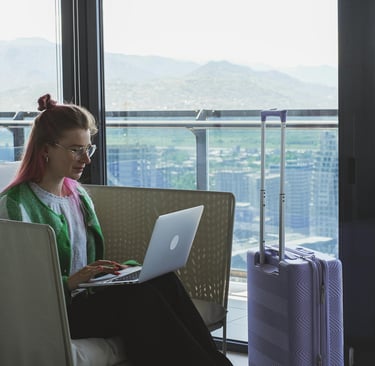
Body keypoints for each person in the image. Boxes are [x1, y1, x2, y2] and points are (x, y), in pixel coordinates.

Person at [0, 94, 233, 366]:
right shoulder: (15, 207)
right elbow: (20, 288)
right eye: (76, 149)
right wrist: (71, 282)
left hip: (86, 298)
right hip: (56, 313)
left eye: (88, 148)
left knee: (161, 279)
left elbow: (86, 263)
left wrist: (119, 272)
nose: (85, 159)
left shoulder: (78, 196)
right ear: (46, 149)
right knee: (141, 299)